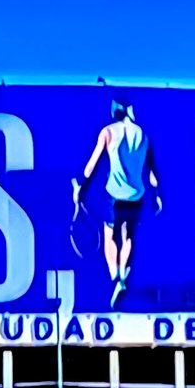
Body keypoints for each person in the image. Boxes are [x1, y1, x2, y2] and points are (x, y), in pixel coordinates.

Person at [73, 94, 161, 308]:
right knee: (129, 236)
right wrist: (158, 196)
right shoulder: (143, 135)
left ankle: (115, 277)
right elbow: (152, 173)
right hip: (136, 195)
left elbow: (91, 166)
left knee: (110, 234)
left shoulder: (108, 132)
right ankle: (124, 276)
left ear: (115, 111)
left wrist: (81, 187)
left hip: (114, 195)